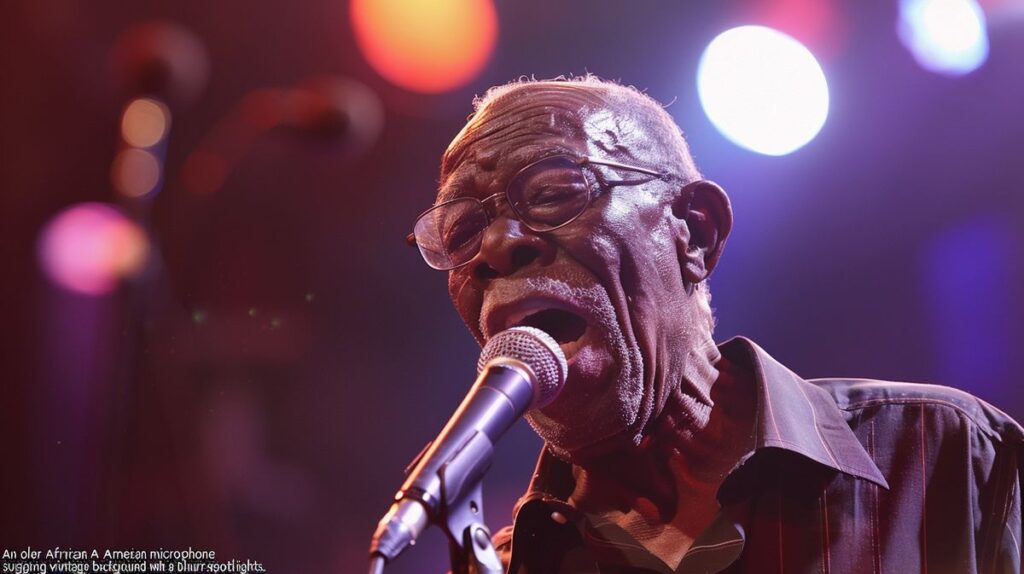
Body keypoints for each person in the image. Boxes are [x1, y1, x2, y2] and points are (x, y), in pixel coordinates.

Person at [407, 76, 1024, 573]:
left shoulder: (944, 454)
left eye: (551, 193)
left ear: (694, 232)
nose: (493, 247)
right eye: (460, 233)